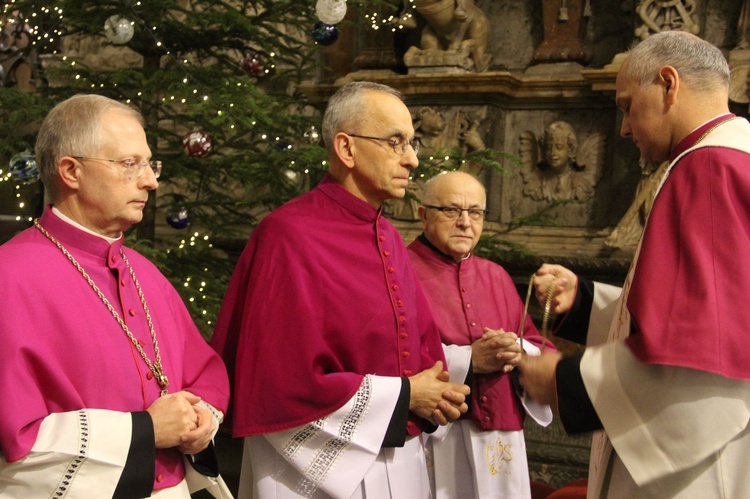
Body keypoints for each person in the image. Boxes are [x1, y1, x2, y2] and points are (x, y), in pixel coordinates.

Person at [210, 81, 471, 499]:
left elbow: (416, 347)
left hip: (397, 460)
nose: (413, 159)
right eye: (395, 142)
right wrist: (405, 395)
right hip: (308, 473)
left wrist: (435, 392)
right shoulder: (288, 234)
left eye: (412, 142)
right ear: (346, 149)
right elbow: (279, 382)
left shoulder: (386, 233)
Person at [518, 30, 750, 497]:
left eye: (626, 105)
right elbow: (708, 315)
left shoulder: (707, 168)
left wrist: (566, 380)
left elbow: (697, 356)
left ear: (668, 84)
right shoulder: (731, 155)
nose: (623, 128)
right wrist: (583, 303)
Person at [0, 94, 231, 498]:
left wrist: (200, 420)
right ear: (71, 171)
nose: (151, 181)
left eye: (149, 164)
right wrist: (144, 431)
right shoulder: (9, 277)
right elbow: (13, 441)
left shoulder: (145, 273)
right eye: (129, 164)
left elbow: (204, 375)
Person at [407, 171, 553, 498]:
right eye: (451, 210)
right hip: (435, 435)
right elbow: (388, 356)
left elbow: (539, 344)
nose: (464, 222)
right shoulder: (401, 271)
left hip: (500, 434)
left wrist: (520, 353)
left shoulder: (497, 276)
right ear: (423, 214)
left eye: (475, 212)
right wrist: (470, 360)